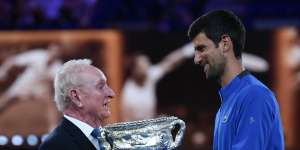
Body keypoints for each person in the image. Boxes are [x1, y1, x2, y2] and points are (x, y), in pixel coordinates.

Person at [187, 10, 284, 149]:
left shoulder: (254, 95)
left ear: (225, 44)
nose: (196, 59)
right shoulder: (226, 106)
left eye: (201, 48)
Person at [39, 59, 116, 150]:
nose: (111, 93)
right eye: (100, 87)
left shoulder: (111, 139)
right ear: (76, 97)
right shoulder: (55, 146)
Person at [121, 43, 194, 121]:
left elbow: (169, 63)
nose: (147, 67)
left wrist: (189, 49)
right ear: (134, 70)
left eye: (147, 64)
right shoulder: (129, 94)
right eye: (142, 65)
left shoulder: (148, 76)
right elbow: (131, 122)